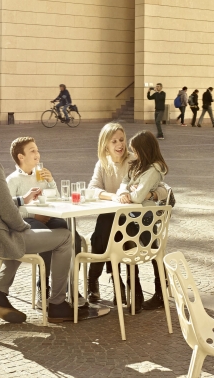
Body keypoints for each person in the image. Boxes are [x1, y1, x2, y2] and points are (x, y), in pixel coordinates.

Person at [0, 119, 108, 324]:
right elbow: (8, 212)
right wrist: (25, 227)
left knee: (17, 233)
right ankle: (57, 304)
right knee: (65, 238)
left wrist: (21, 201)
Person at [5, 135, 84, 294]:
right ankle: (43, 285)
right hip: (27, 222)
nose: (37, 154)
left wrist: (51, 181)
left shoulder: (40, 175)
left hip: (48, 218)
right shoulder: (12, 180)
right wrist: (35, 216)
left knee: (72, 234)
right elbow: (10, 210)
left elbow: (56, 199)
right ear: (21, 157)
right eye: (32, 151)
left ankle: (70, 284)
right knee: (47, 237)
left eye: (38, 150)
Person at [116, 130, 173, 311]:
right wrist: (126, 192)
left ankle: (158, 294)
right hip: (134, 215)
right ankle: (137, 293)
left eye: (136, 150)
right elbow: (124, 182)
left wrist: (135, 192)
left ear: (145, 150)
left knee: (153, 252)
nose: (134, 154)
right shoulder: (138, 165)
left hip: (145, 217)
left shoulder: (153, 169)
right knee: (132, 247)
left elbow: (139, 196)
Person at [86, 122, 131, 303]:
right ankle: (113, 279)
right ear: (105, 144)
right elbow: (92, 188)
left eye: (121, 140)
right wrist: (113, 197)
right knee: (105, 225)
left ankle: (94, 279)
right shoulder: (102, 162)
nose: (119, 145)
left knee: (103, 231)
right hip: (111, 217)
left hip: (131, 219)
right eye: (114, 141)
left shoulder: (133, 161)